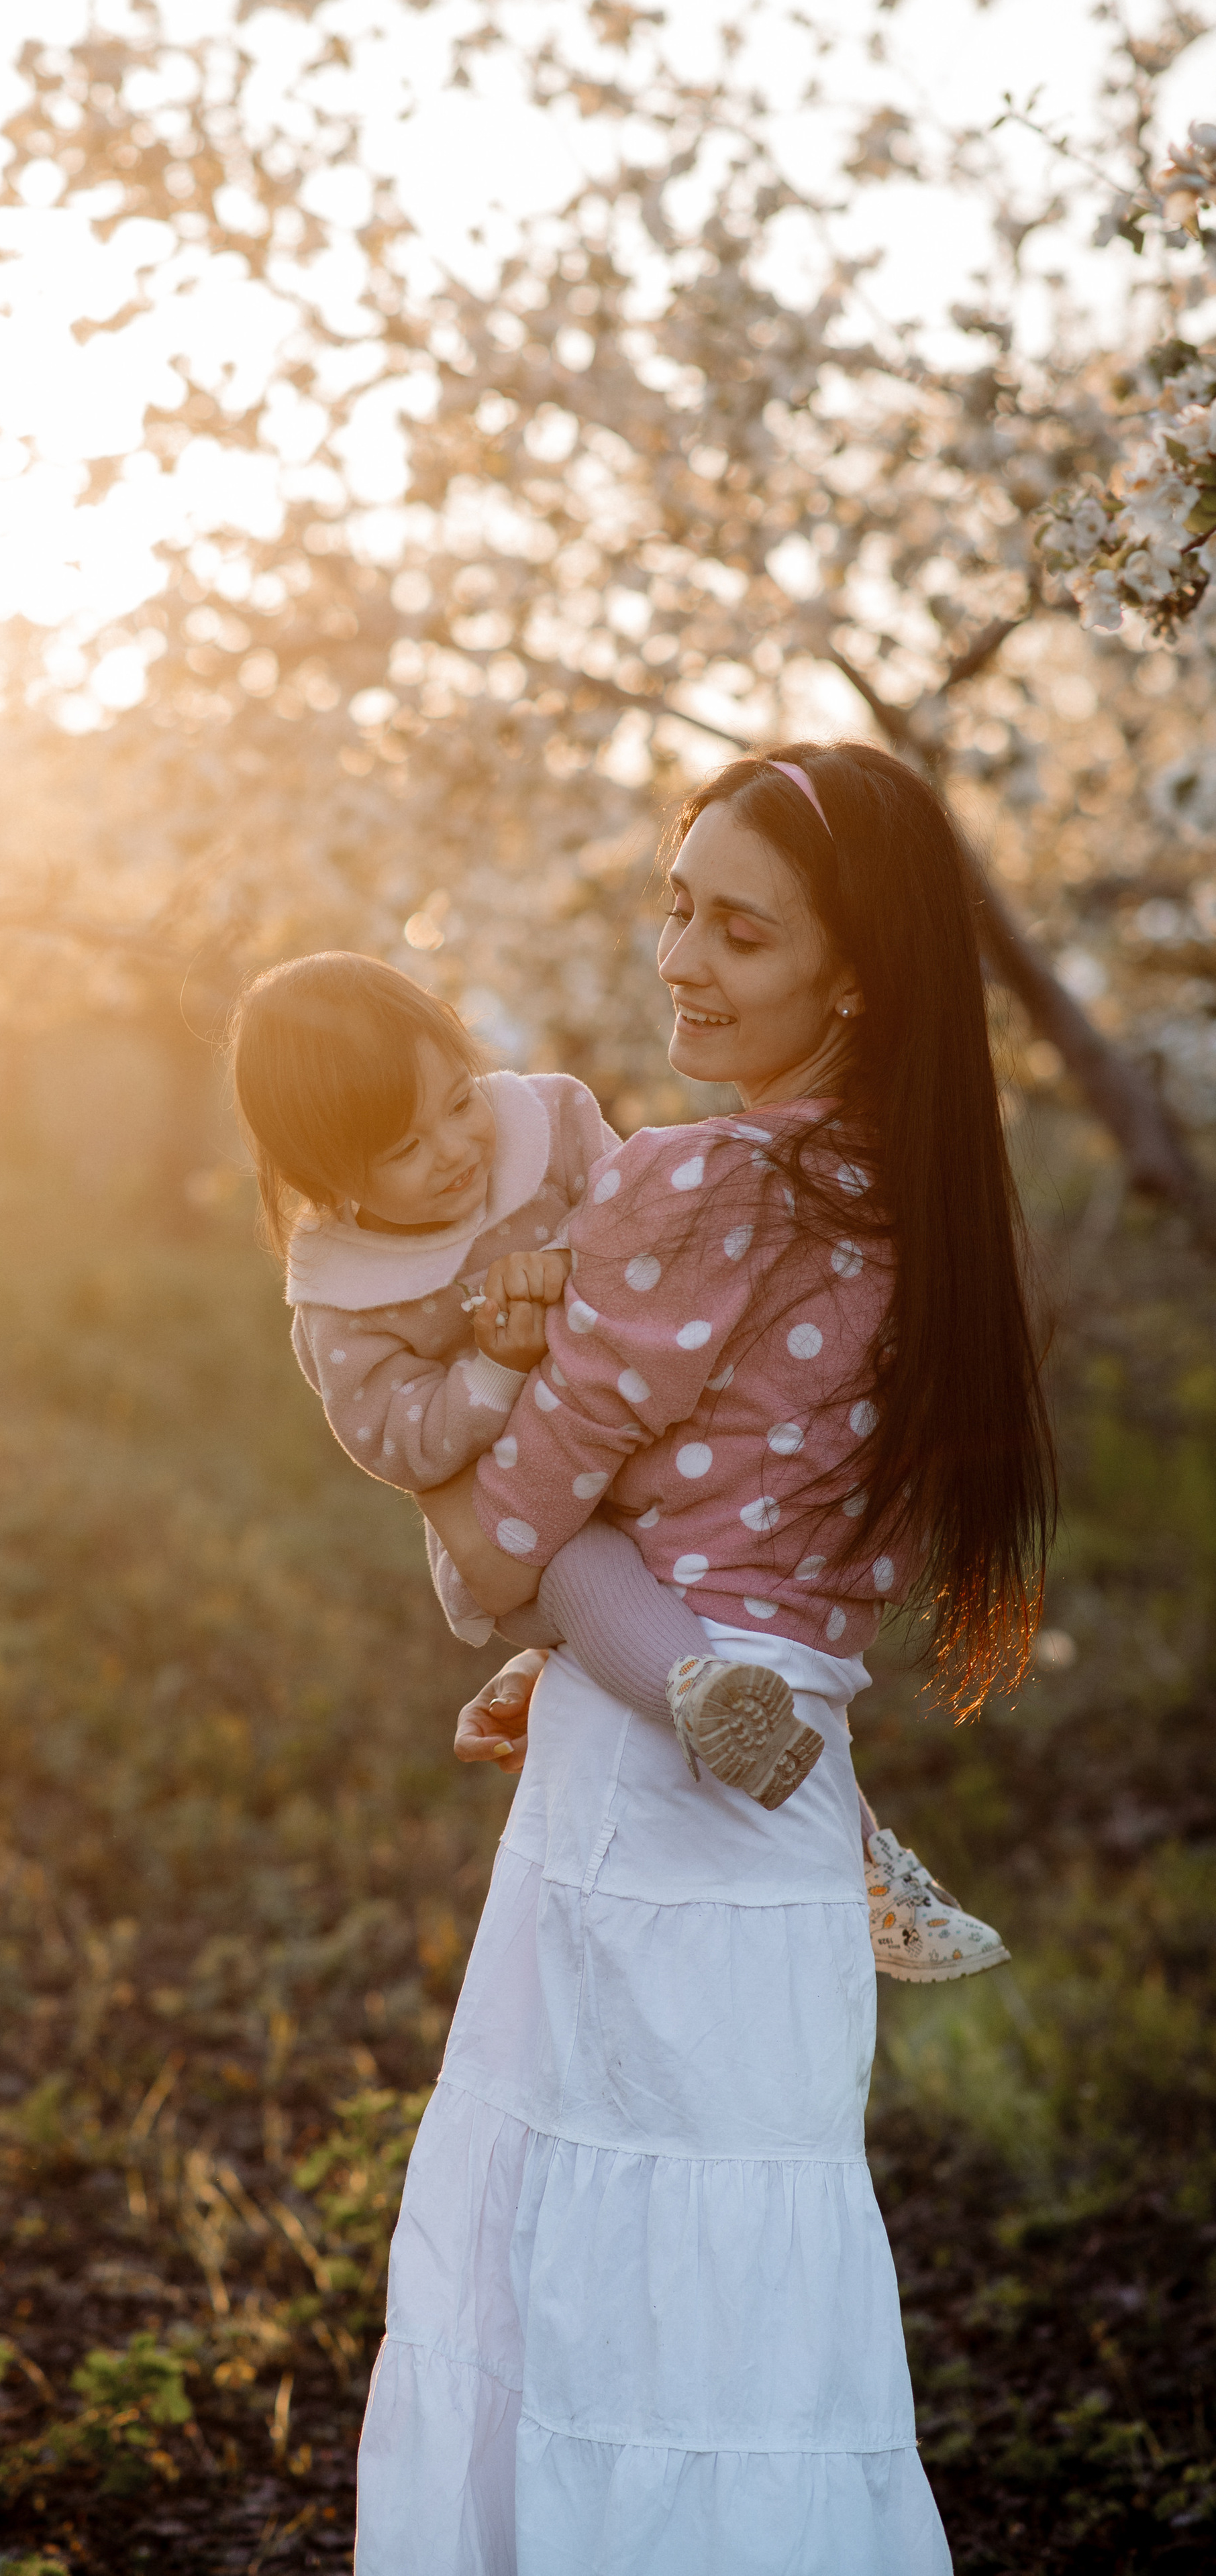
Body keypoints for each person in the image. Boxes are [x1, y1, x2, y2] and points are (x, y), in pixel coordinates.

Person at [354, 742, 1055, 2573]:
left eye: (739, 932)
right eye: (675, 907)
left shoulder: (696, 1184)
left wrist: (420, 1390)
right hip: (792, 1800)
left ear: (856, 978)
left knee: (584, 2291)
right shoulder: (926, 1203)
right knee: (754, 2316)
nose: (678, 959)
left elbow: (491, 1552)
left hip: (647, 1795)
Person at [229, 945, 1007, 1960]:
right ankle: (694, 1695)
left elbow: (640, 1230)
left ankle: (867, 1869)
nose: (456, 1149)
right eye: (406, 1148)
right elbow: (396, 1440)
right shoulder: (345, 1297)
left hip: (637, 1458)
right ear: (329, 1179)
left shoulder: (544, 1127)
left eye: (458, 1100)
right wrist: (496, 1370)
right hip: (520, 1519)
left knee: (705, 1634)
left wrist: (564, 1270)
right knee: (604, 1586)